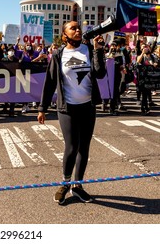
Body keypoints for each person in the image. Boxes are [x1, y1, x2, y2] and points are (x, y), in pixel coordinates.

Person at [37, 21, 106, 204]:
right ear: (64, 35)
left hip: (87, 106)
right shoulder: (59, 54)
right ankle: (65, 183)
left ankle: (78, 185)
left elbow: (100, 74)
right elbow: (50, 81)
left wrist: (98, 49)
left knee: (84, 147)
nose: (77, 30)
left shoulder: (89, 50)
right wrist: (42, 108)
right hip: (67, 108)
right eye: (72, 28)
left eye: (78, 28)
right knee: (71, 146)